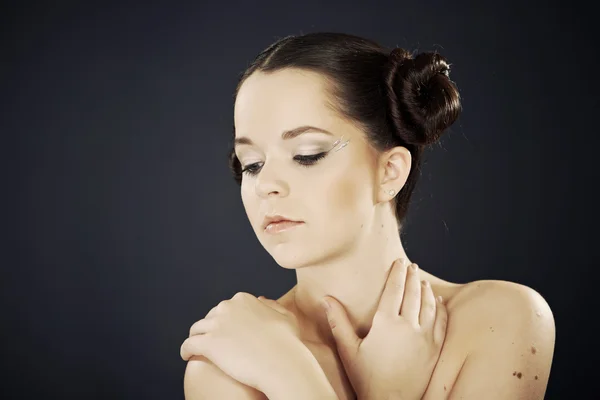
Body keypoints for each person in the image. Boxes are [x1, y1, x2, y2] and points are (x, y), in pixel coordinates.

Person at [179, 32, 555, 399]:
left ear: (389, 171)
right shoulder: (228, 368)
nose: (266, 186)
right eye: (252, 164)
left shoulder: (502, 320)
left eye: (307, 154)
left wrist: (296, 379)